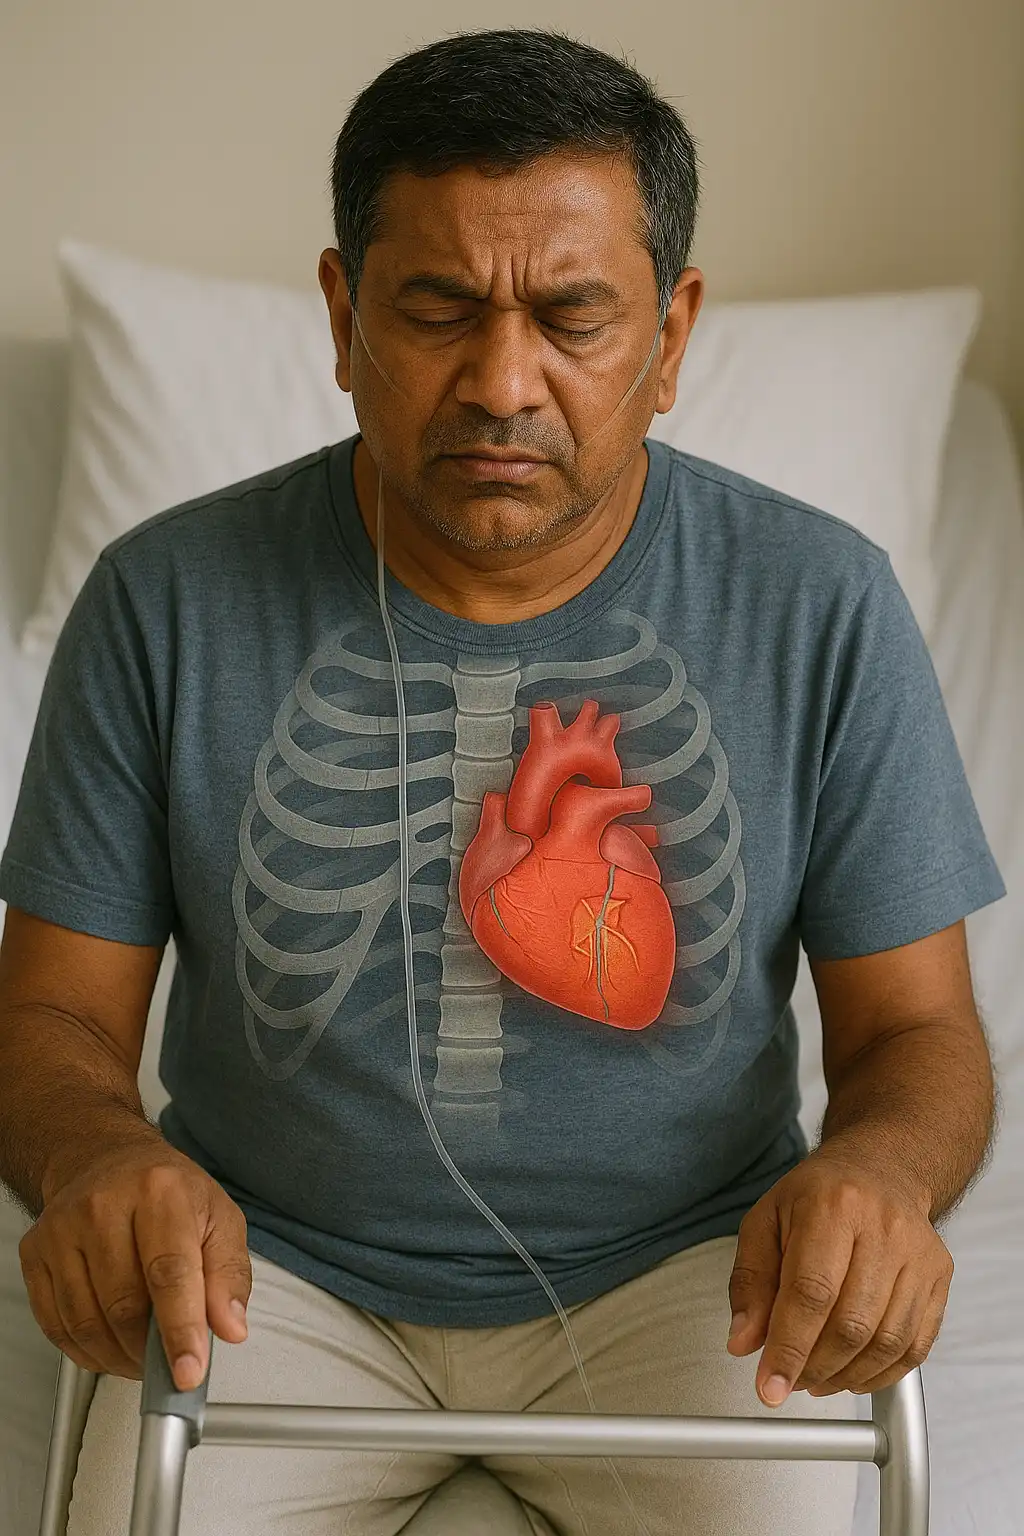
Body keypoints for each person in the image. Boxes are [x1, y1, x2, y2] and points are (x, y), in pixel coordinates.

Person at [0, 28, 1004, 1536]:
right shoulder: (163, 602)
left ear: (671, 337)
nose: (504, 381)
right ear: (342, 320)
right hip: (271, 1277)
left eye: (575, 317)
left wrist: (876, 1174)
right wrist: (99, 1153)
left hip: (697, 1282)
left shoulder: (822, 605)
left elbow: (922, 1036)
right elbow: (53, 1015)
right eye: (438, 310)